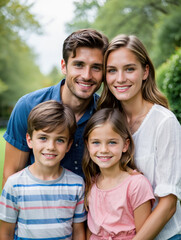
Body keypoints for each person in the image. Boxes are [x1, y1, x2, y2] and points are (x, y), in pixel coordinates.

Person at [97, 34, 181, 239]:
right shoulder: (107, 122)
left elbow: (168, 203)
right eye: (112, 71)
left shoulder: (164, 122)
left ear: (145, 72)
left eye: (129, 69)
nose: (120, 78)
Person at [2, 28, 109, 187]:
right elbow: (11, 176)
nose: (87, 75)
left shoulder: (108, 113)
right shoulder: (27, 107)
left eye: (96, 67)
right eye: (79, 65)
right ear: (64, 66)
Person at [0, 100, 86, 239]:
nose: (51, 146)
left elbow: (78, 232)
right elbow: (5, 233)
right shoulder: (14, 184)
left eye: (60, 140)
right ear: (29, 140)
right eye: (43, 138)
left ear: (69, 145)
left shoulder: (76, 184)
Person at [82, 108, 155, 240]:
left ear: (125, 145)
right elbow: (90, 232)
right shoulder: (91, 183)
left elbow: (145, 235)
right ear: (88, 145)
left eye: (112, 142)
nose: (103, 150)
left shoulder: (136, 184)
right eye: (96, 142)